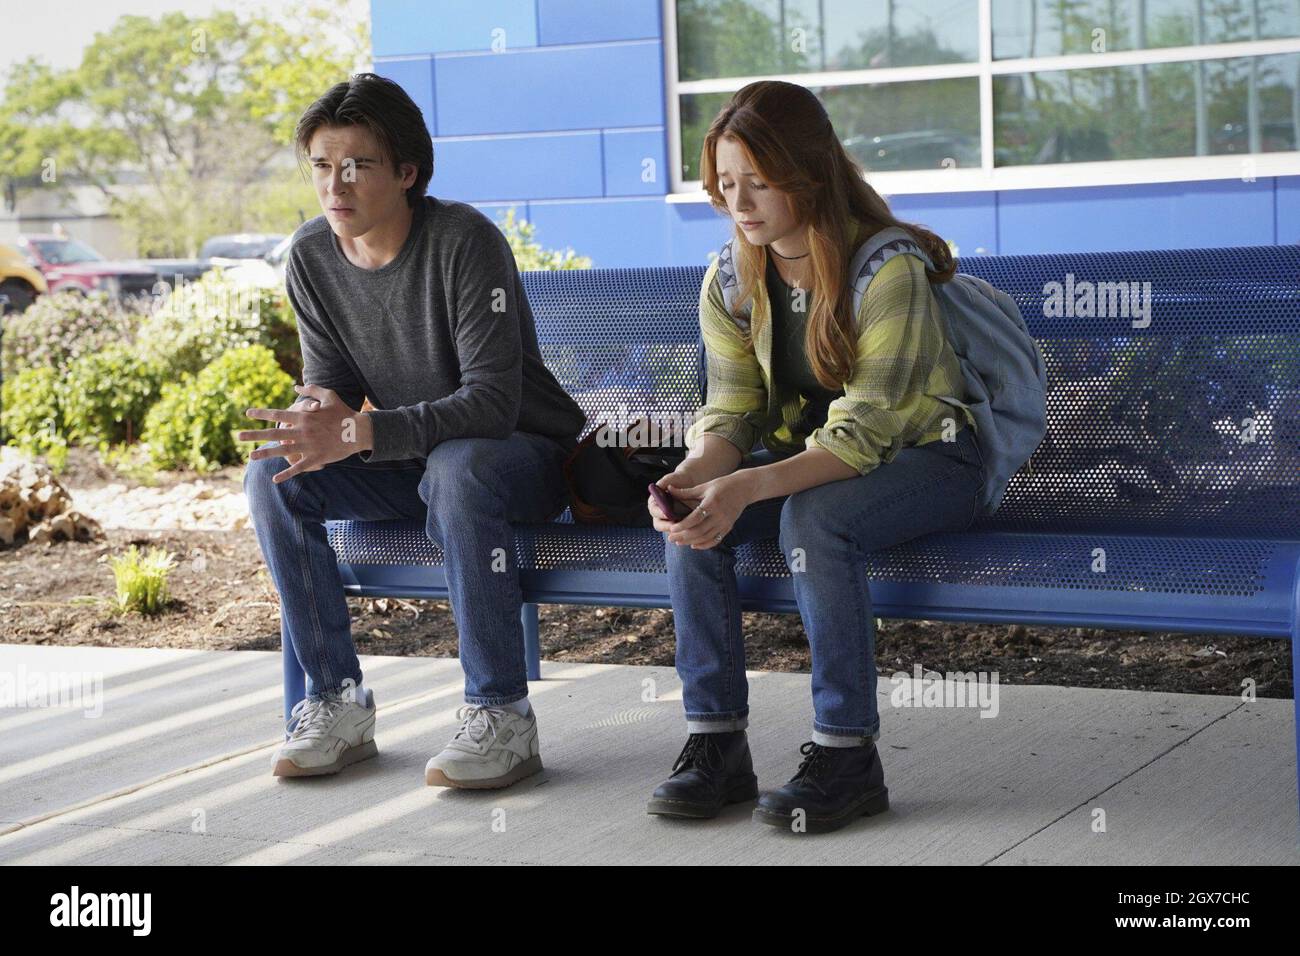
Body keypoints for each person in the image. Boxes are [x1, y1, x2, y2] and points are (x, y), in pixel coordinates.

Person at [645, 80, 986, 834]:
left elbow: (866, 431)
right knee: (696, 520)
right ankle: (714, 744)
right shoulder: (733, 277)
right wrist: (697, 474)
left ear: (807, 173)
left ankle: (846, 756)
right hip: (817, 463)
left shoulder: (885, 269)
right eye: (726, 184)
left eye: (758, 183)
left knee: (815, 519)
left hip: (935, 462)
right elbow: (733, 413)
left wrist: (745, 484)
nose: (739, 202)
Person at [240, 73, 586, 787]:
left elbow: (491, 404)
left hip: (520, 461)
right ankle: (336, 699)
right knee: (271, 476)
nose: (336, 185)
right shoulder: (311, 255)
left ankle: (501, 716)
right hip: (415, 465)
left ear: (407, 172)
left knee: (459, 467)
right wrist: (315, 427)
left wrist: (362, 434)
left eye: (359, 165)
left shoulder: (464, 242)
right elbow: (332, 383)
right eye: (322, 166)